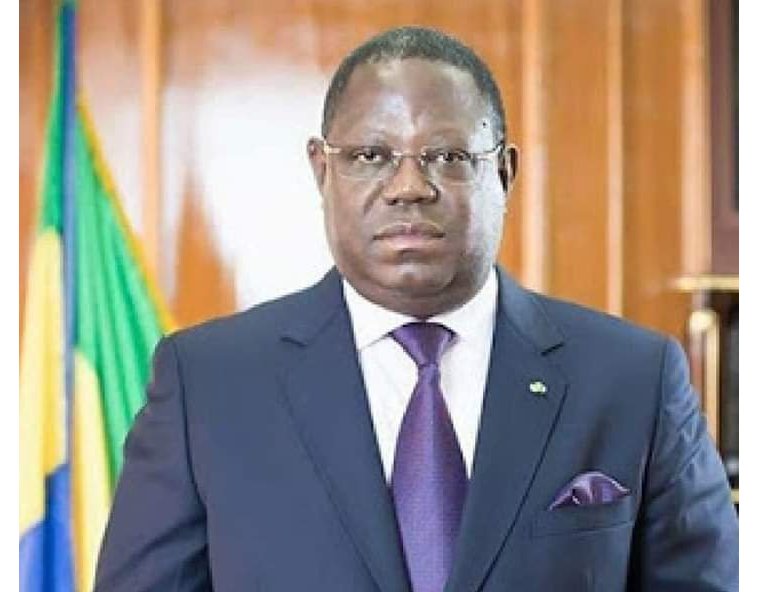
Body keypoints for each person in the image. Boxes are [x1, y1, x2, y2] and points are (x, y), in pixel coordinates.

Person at [94, 26, 738, 591]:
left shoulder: (633, 380)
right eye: (370, 156)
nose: (409, 187)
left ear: (503, 173)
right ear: (322, 170)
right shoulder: (210, 384)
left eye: (448, 157)